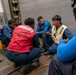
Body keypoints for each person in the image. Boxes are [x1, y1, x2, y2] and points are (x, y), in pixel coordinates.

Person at [49, 5, 76, 75]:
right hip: (56, 43)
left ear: (58, 21)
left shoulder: (65, 29)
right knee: (50, 48)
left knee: (54, 58)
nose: (53, 23)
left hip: (60, 44)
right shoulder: (54, 27)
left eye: (54, 21)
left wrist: (65, 42)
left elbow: (72, 37)